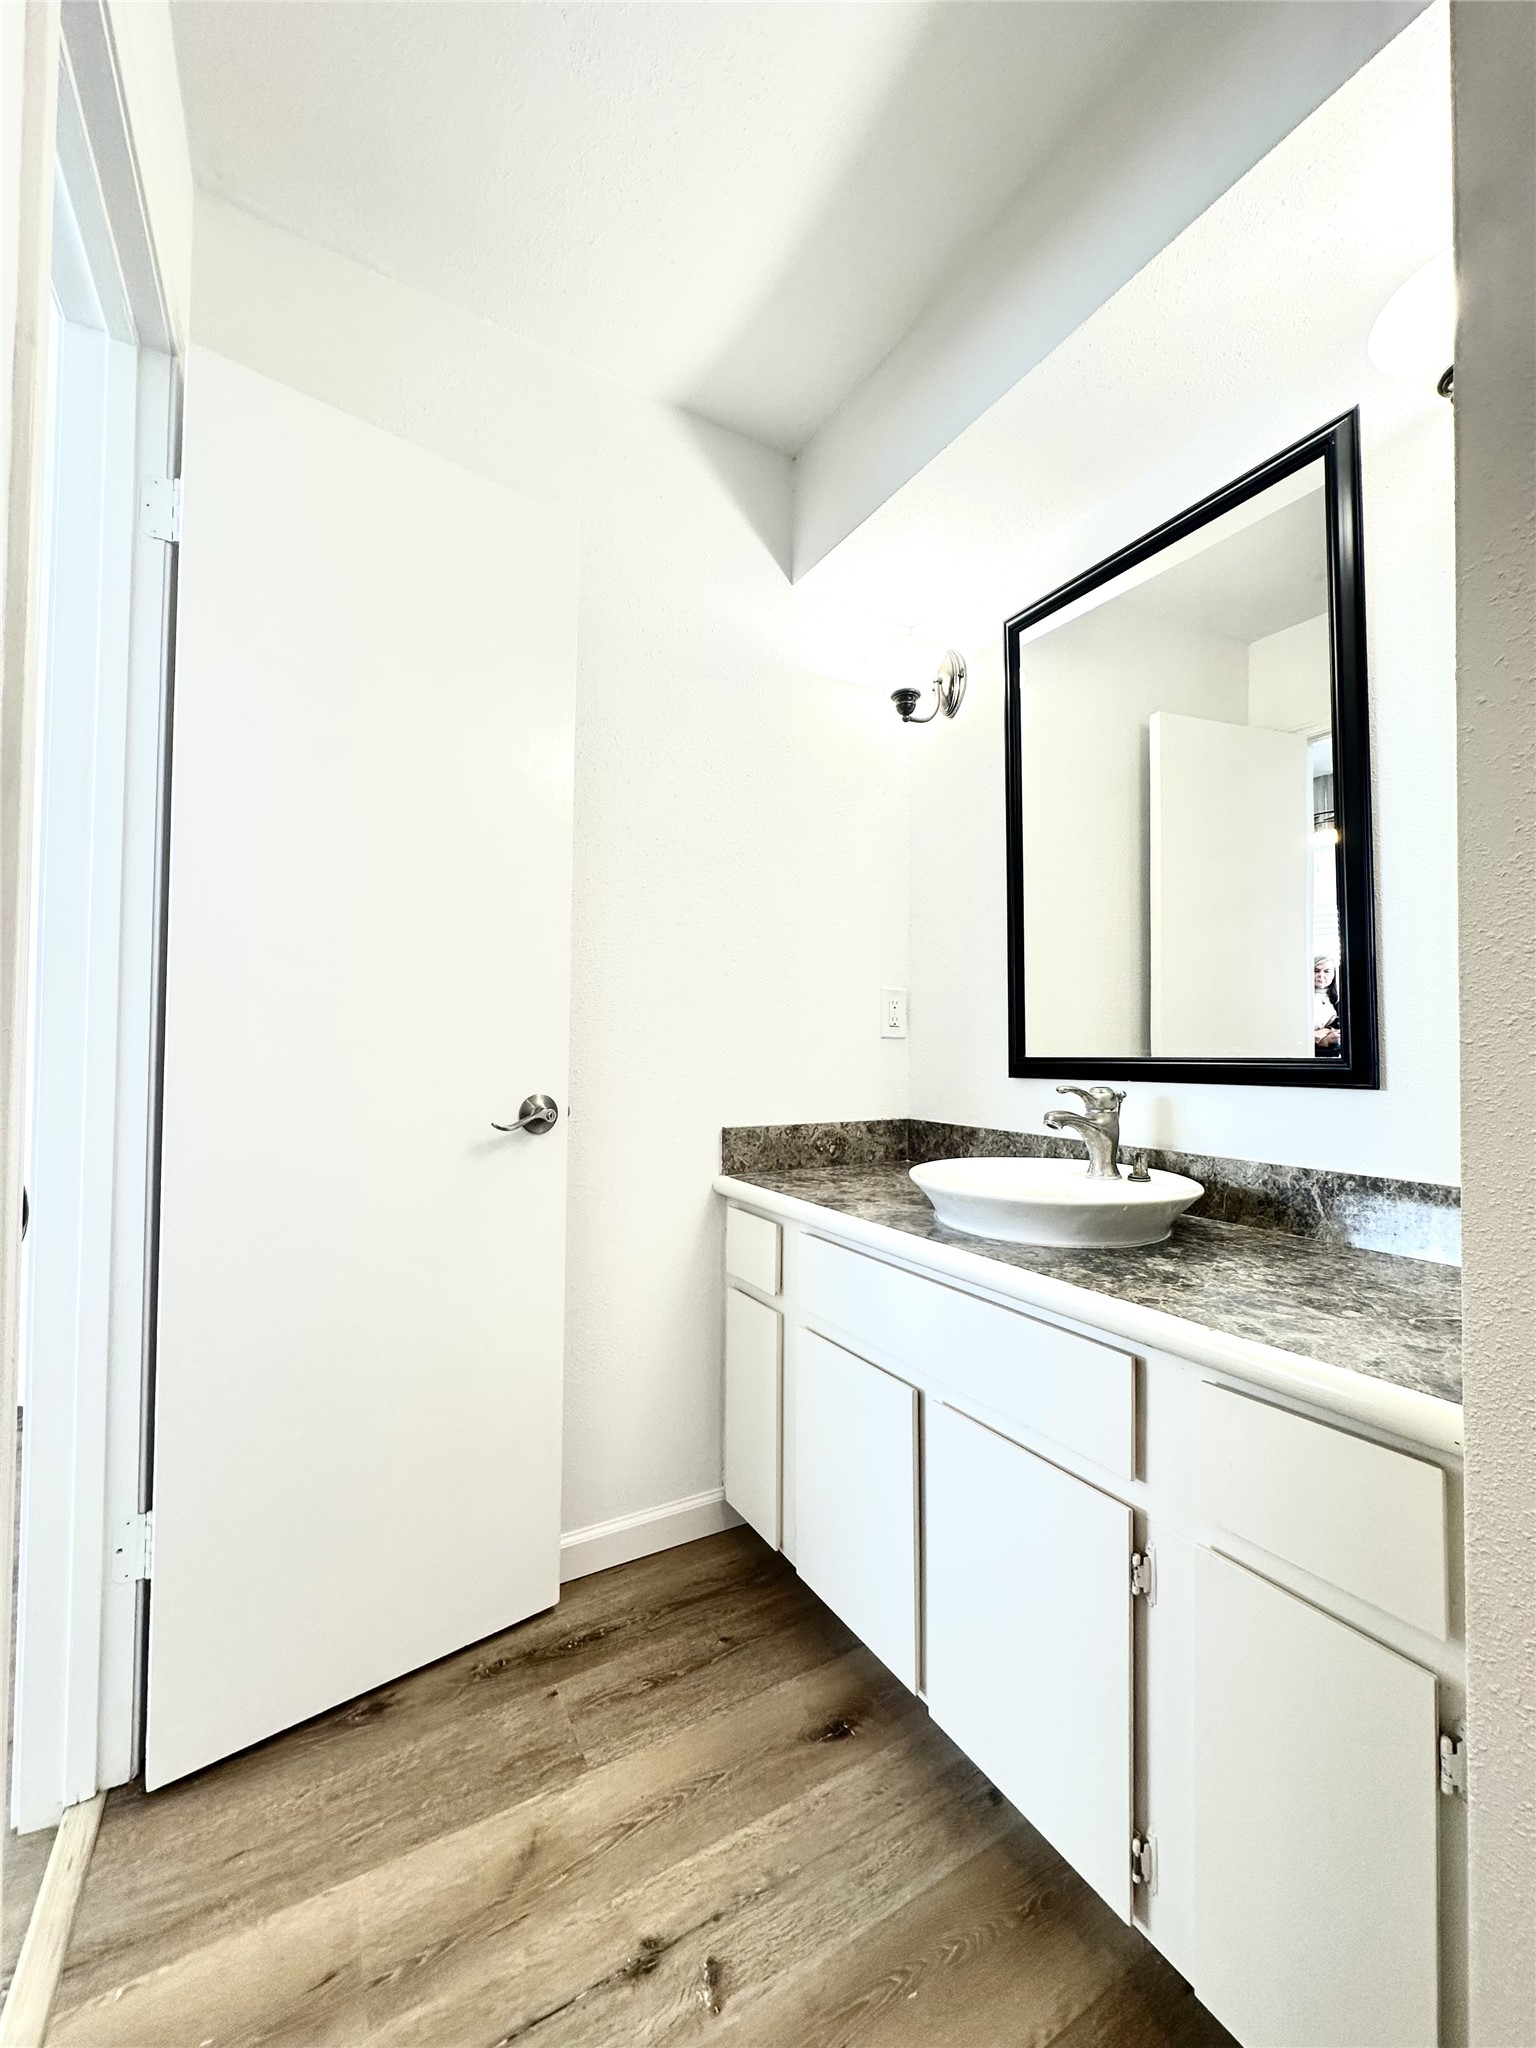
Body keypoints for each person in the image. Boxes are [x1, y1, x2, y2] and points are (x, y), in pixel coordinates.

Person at [1313, 955, 1341, 1052]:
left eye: (1326, 971)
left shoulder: (1337, 1000)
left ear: (1334, 975)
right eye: (1316, 970)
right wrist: (1323, 1040)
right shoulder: (1300, 997)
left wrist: (1327, 1030)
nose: (1321, 975)